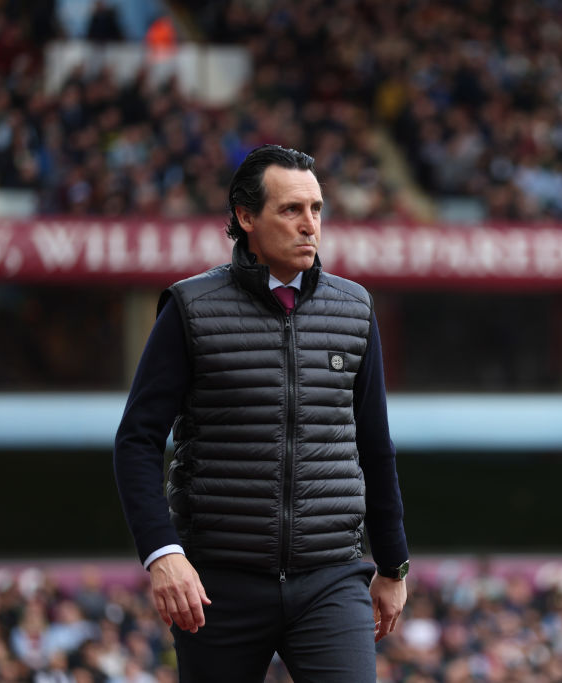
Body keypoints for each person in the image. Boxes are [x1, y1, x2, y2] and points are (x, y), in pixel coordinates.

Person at [113, 144, 410, 682]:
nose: (309, 225)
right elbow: (136, 440)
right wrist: (162, 553)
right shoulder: (190, 308)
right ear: (246, 217)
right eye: (291, 210)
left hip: (331, 577)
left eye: (316, 209)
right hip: (218, 584)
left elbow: (375, 446)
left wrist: (392, 565)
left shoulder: (356, 309)